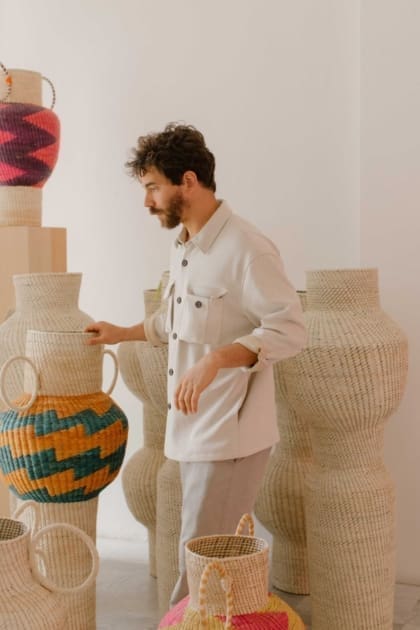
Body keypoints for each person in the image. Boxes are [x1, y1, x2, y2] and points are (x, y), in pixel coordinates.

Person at [86, 122, 306, 607]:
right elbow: (174, 323)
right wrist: (121, 332)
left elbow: (291, 329)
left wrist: (217, 361)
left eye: (152, 188)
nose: (147, 202)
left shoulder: (248, 249)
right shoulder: (185, 245)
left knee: (200, 564)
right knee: (212, 561)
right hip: (194, 430)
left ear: (187, 181)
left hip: (229, 434)